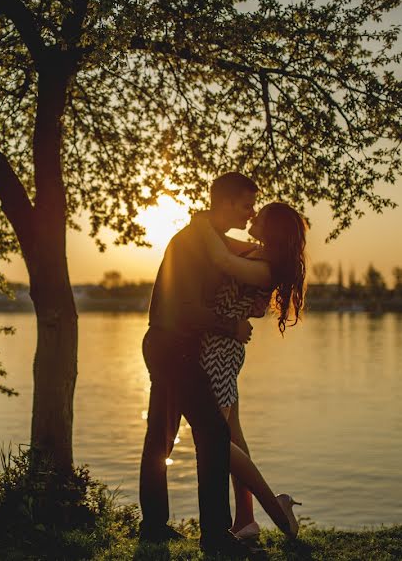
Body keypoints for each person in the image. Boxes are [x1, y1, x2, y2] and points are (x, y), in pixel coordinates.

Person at [139, 172, 258, 555]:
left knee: (160, 437)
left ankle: (154, 528)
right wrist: (232, 326)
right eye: (245, 204)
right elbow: (187, 309)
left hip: (166, 346)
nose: (251, 212)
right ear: (224, 203)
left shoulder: (204, 239)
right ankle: (215, 536)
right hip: (175, 348)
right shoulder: (193, 243)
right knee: (213, 433)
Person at [193, 200, 309, 540]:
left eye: (262, 215)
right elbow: (223, 247)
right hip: (219, 346)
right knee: (233, 437)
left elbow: (220, 258)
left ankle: (279, 512)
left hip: (221, 352)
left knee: (214, 439)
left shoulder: (267, 266)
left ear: (272, 228)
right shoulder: (258, 253)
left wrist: (201, 222)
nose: (254, 215)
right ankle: (246, 521)